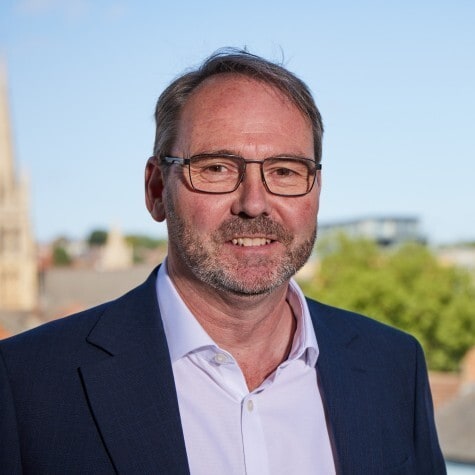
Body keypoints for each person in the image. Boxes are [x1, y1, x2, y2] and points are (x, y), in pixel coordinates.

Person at [0, 48, 445, 475]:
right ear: (156, 190)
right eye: (216, 168)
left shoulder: (393, 365)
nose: (254, 204)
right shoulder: (25, 385)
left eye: (285, 171)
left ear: (316, 191)